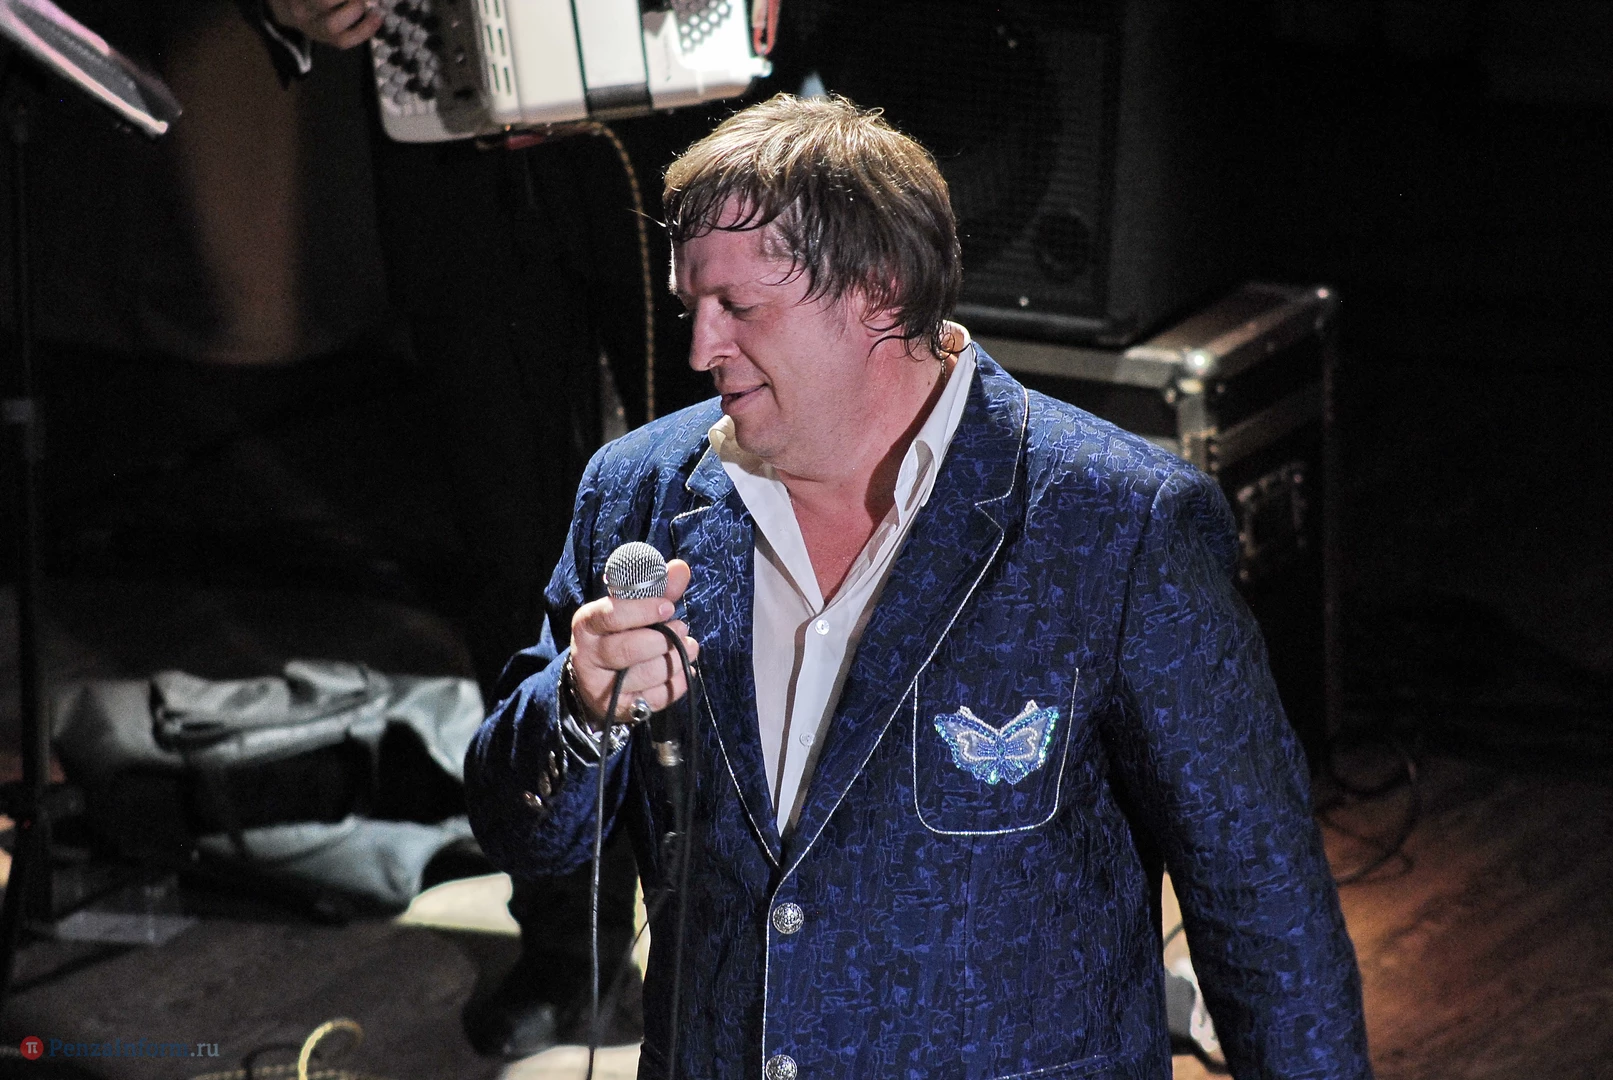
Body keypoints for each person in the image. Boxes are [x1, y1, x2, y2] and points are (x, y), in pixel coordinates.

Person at [467, 94, 1372, 1078]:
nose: (700, 350)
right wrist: (577, 709)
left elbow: (1260, 902)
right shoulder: (636, 492)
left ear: (878, 291)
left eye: (741, 308)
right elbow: (522, 833)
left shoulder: (1116, 523)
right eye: (695, 308)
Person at [242, 0, 643, 1056]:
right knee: (515, 558)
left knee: (739, 521)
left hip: (681, 129)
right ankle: (568, 940)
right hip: (453, 143)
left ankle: (755, 919)